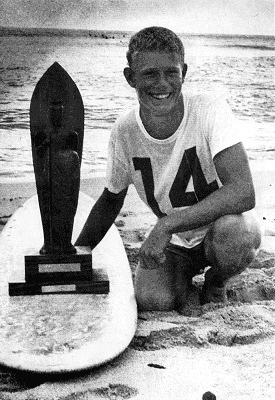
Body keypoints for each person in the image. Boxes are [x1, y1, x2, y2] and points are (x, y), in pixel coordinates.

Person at [75, 26, 262, 311]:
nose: (162, 83)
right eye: (150, 73)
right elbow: (112, 197)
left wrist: (166, 224)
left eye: (171, 72)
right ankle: (181, 281)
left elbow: (243, 192)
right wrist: (80, 250)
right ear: (130, 77)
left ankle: (216, 281)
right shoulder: (124, 131)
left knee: (239, 234)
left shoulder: (209, 110)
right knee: (153, 300)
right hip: (176, 243)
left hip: (219, 232)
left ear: (183, 72)